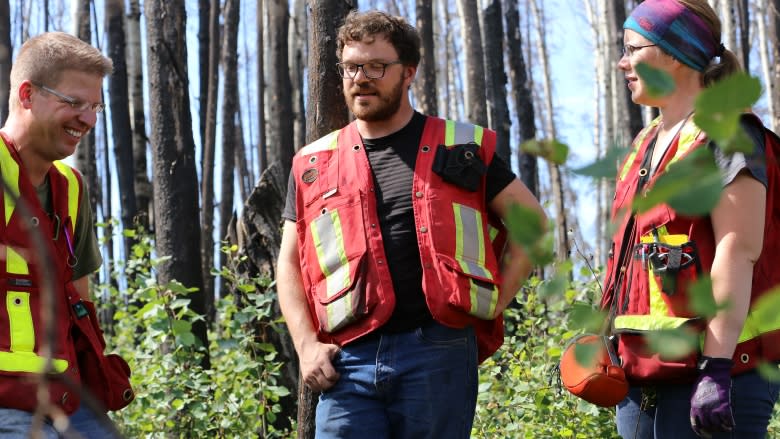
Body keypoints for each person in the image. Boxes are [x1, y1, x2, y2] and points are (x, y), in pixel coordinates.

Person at [276, 9, 545, 438]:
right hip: (348, 360)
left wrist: (493, 305)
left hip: (438, 352)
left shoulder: (463, 147)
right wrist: (306, 346)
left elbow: (534, 226)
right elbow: (289, 263)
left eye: (377, 66)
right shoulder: (313, 162)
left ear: (409, 73)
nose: (361, 78)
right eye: (351, 67)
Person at [601, 0, 780, 437]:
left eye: (633, 49)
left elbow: (738, 253)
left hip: (720, 373)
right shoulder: (645, 143)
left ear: (675, 55)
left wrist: (715, 368)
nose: (622, 62)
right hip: (643, 371)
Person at [0, 32, 130, 438]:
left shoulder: (72, 189)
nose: (88, 120)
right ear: (27, 94)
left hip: (69, 401)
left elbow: (81, 296)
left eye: (95, 107)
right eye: (74, 103)